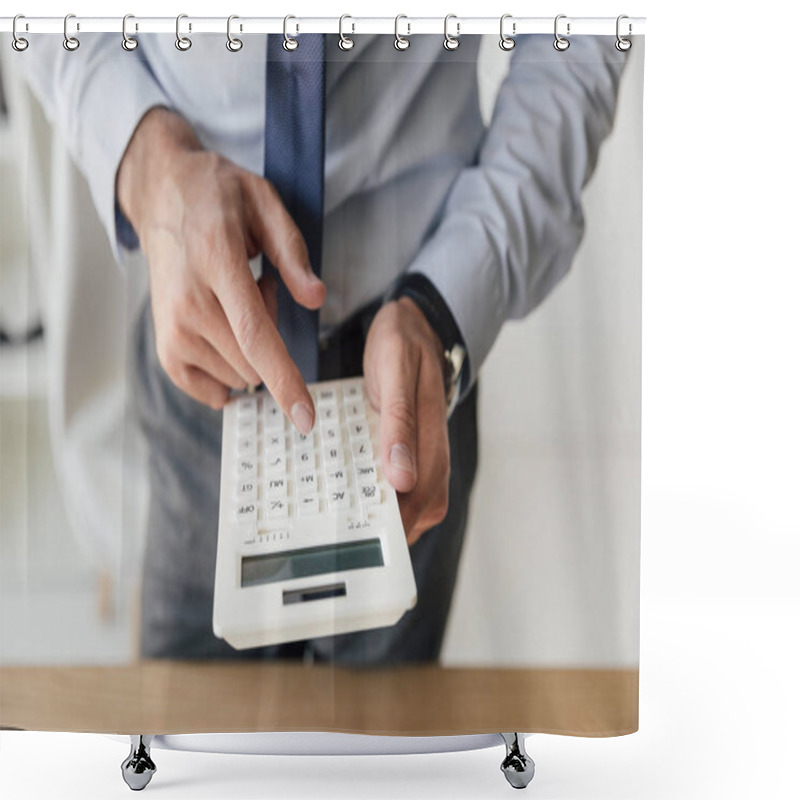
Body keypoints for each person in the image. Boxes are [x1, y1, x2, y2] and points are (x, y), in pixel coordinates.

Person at [21, 30, 626, 663]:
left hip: (418, 359)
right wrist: (146, 158)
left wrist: (447, 306)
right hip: (207, 346)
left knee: (379, 746)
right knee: (191, 741)